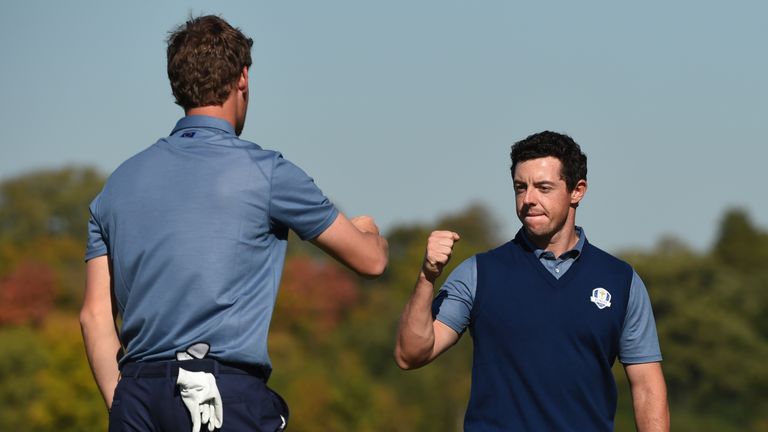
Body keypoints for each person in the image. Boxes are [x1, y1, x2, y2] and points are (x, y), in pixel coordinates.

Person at [80, 15, 388, 432]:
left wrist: (125, 402)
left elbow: (95, 317)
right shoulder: (266, 172)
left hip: (136, 395)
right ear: (242, 78)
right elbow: (370, 262)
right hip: (219, 396)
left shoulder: (116, 186)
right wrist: (369, 230)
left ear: (177, 84)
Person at [395, 131, 669, 431]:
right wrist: (427, 277)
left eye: (543, 187)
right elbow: (411, 354)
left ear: (577, 191)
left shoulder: (621, 281)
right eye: (520, 187)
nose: (528, 199)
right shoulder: (478, 273)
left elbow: (647, 387)